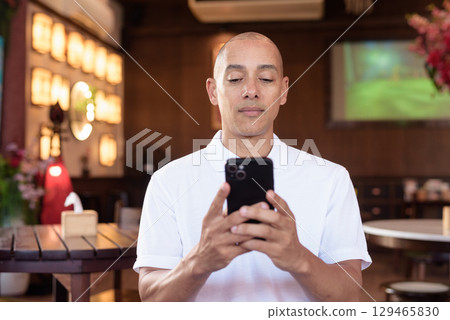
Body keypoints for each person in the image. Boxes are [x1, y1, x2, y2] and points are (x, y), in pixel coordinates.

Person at [133, 32, 371, 302]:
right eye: (235, 79)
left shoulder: (332, 179)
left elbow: (350, 296)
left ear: (283, 91)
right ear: (213, 91)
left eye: (266, 79)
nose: (251, 90)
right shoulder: (168, 181)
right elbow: (151, 298)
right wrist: (199, 262)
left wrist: (298, 258)